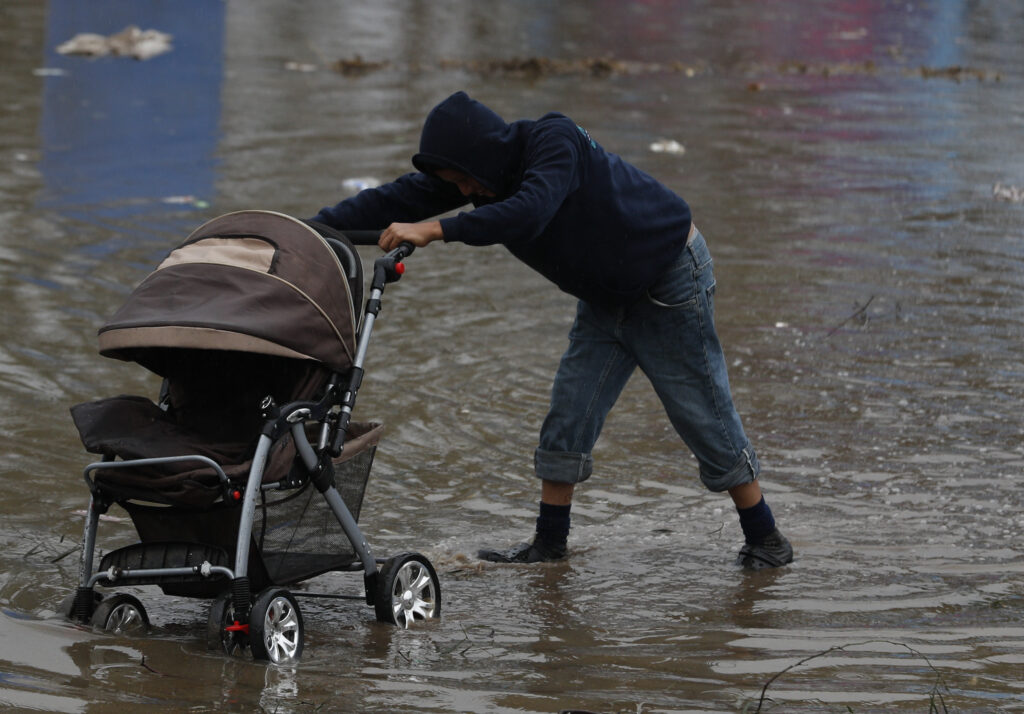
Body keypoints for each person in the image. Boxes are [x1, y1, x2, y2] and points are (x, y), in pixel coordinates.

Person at [311, 91, 793, 569]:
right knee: (569, 414)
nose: (461, 193)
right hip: (605, 296)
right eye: (451, 184)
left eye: (462, 181)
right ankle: (549, 545)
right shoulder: (478, 180)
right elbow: (391, 199)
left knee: (701, 414)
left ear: (483, 157)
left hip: (667, 279)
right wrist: (305, 231)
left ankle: (766, 537)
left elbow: (531, 210)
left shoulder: (554, 141)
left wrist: (437, 231)